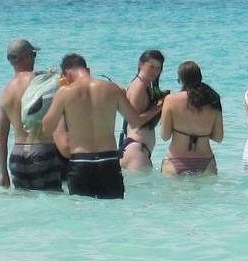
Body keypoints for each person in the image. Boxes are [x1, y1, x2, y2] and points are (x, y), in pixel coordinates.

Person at [41, 53, 143, 199]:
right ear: (87, 70)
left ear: (65, 75)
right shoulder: (112, 89)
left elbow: (47, 128)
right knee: (113, 213)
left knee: (82, 216)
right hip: (108, 161)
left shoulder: (64, 93)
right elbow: (135, 121)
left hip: (81, 162)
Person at [1, 38, 67, 191]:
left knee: (27, 206)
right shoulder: (41, 82)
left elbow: (2, 135)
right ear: (28, 57)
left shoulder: (5, 91)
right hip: (42, 151)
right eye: (34, 55)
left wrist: (3, 172)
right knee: (52, 204)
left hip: (17, 157)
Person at [160, 61, 224, 177]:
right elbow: (218, 137)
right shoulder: (213, 99)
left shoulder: (170, 100)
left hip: (175, 160)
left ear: (180, 80)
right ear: (200, 78)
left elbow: (165, 136)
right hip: (206, 161)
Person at [119, 49, 167, 171]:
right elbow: (135, 121)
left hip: (137, 149)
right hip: (136, 150)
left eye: (158, 68)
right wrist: (159, 107)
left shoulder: (144, 85)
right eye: (151, 67)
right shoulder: (139, 87)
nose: (155, 71)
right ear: (140, 64)